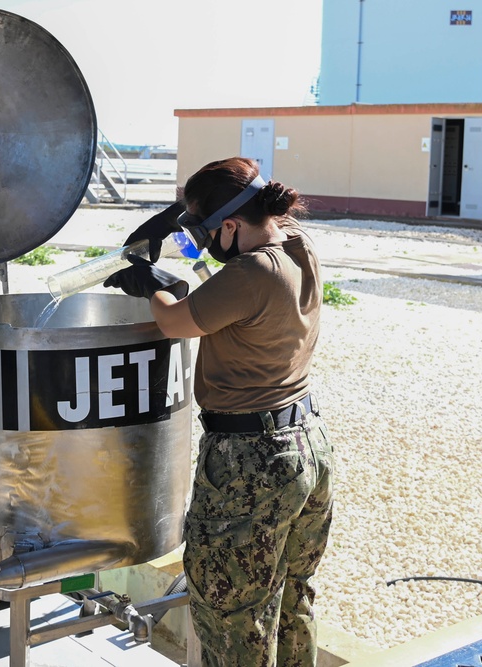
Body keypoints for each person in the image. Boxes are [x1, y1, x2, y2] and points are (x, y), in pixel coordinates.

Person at [105, 157, 334, 667]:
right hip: (306, 448)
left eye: (207, 231)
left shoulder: (251, 274)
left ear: (231, 225)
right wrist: (177, 215)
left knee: (233, 618)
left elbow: (175, 321)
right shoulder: (296, 244)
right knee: (292, 599)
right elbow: (235, 238)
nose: (202, 241)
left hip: (249, 464)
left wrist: (149, 282)